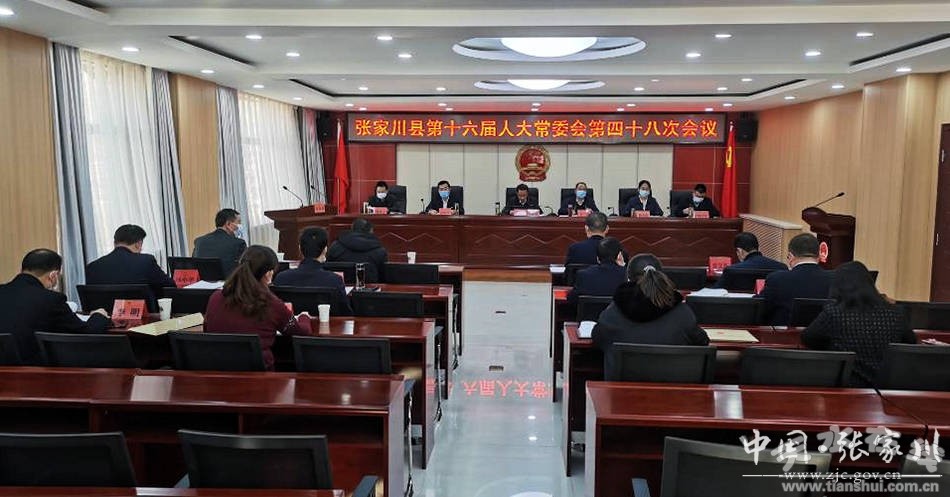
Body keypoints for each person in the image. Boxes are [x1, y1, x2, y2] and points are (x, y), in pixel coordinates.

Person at [802, 261, 916, 387]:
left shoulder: (834, 313)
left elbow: (808, 338)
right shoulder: (896, 312)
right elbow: (911, 342)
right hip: (889, 387)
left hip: (848, 387)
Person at [591, 253, 709, 374]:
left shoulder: (614, 311)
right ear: (662, 277)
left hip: (623, 384)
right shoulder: (682, 312)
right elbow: (702, 341)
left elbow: (598, 337)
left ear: (628, 279)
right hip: (674, 384)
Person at [204, 245, 308, 370]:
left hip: (219, 372)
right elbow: (300, 333)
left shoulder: (215, 297)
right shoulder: (272, 304)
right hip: (260, 376)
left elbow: (207, 328)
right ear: (268, 274)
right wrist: (304, 317)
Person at [0, 249, 111, 364]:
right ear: (53, 275)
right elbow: (86, 334)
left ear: (22, 270)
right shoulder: (51, 299)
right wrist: (99, 315)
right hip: (33, 370)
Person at [85, 224, 176, 311]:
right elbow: (170, 288)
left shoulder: (92, 267)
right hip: (144, 320)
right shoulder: (146, 261)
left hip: (104, 320)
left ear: (114, 243)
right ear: (138, 244)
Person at [757, 233, 832, 326]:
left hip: (784, 334)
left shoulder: (777, 279)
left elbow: (759, 309)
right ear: (819, 255)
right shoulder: (834, 279)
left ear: (790, 256)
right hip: (824, 334)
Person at [273, 227, 352, 315]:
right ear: (325, 249)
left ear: (300, 248)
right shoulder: (334, 280)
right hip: (327, 323)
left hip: (292, 323)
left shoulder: (281, 278)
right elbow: (346, 313)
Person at [713, 232, 788, 289]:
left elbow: (715, 293)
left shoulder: (731, 270)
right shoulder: (782, 268)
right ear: (757, 247)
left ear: (739, 251)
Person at [326, 218, 388, 283]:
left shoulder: (336, 246)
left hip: (340, 286)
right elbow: (383, 278)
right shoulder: (380, 251)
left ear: (352, 229)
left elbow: (327, 269)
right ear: (371, 231)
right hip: (370, 288)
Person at [567, 237, 626, 304]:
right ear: (619, 256)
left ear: (597, 258)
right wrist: (624, 267)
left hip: (589, 311)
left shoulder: (583, 275)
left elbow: (571, 298)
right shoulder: (625, 276)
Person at [193, 208, 247, 278]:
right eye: (239, 222)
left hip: (202, 283)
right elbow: (246, 269)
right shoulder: (239, 243)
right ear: (228, 224)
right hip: (228, 283)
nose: (240, 226)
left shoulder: (199, 241)